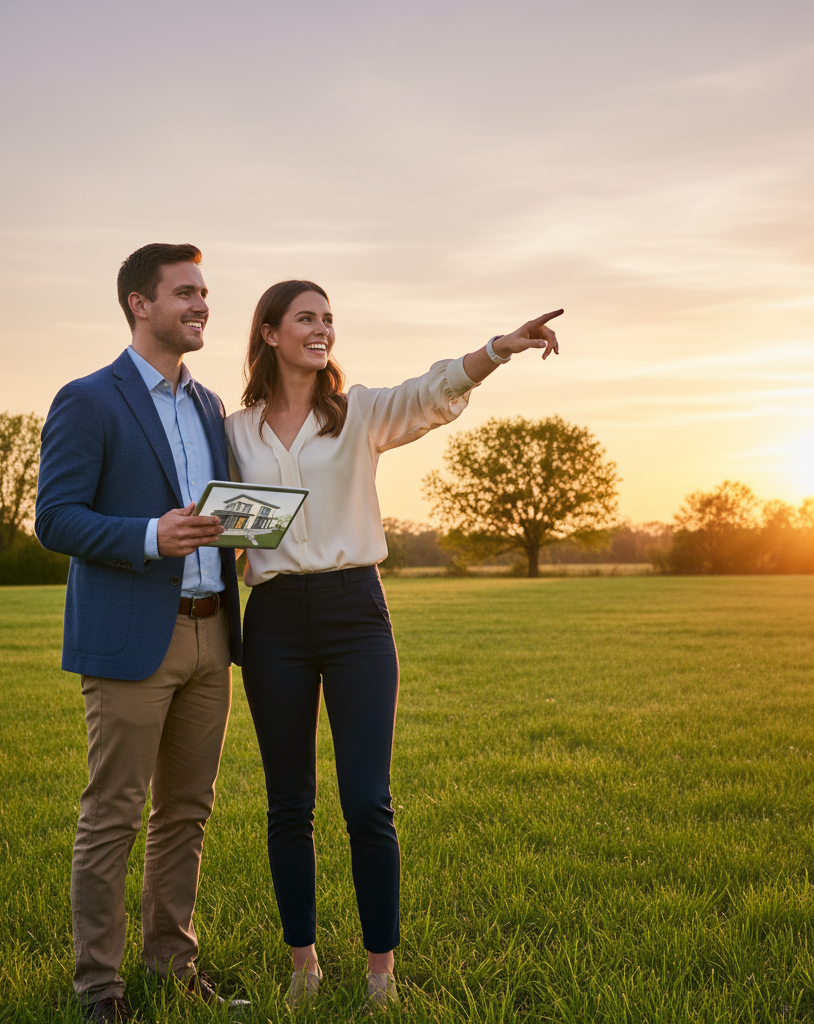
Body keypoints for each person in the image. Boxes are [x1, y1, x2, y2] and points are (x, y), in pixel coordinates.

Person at [225, 279, 560, 1008]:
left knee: (368, 800)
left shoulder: (360, 412)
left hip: (355, 614)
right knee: (289, 802)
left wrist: (500, 347)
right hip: (275, 620)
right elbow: (222, 521)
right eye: (307, 319)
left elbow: (432, 390)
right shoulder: (234, 431)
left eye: (329, 319)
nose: (322, 329)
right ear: (271, 333)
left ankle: (382, 974)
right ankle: (303, 965)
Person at [36, 243, 247, 1024]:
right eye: (185, 293)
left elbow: (212, 515)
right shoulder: (88, 399)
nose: (201, 307)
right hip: (130, 640)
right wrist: (149, 535)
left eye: (204, 295)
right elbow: (54, 519)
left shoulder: (210, 405)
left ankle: (171, 962)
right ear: (139, 303)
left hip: (211, 634)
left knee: (187, 811)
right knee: (114, 813)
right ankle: (100, 988)